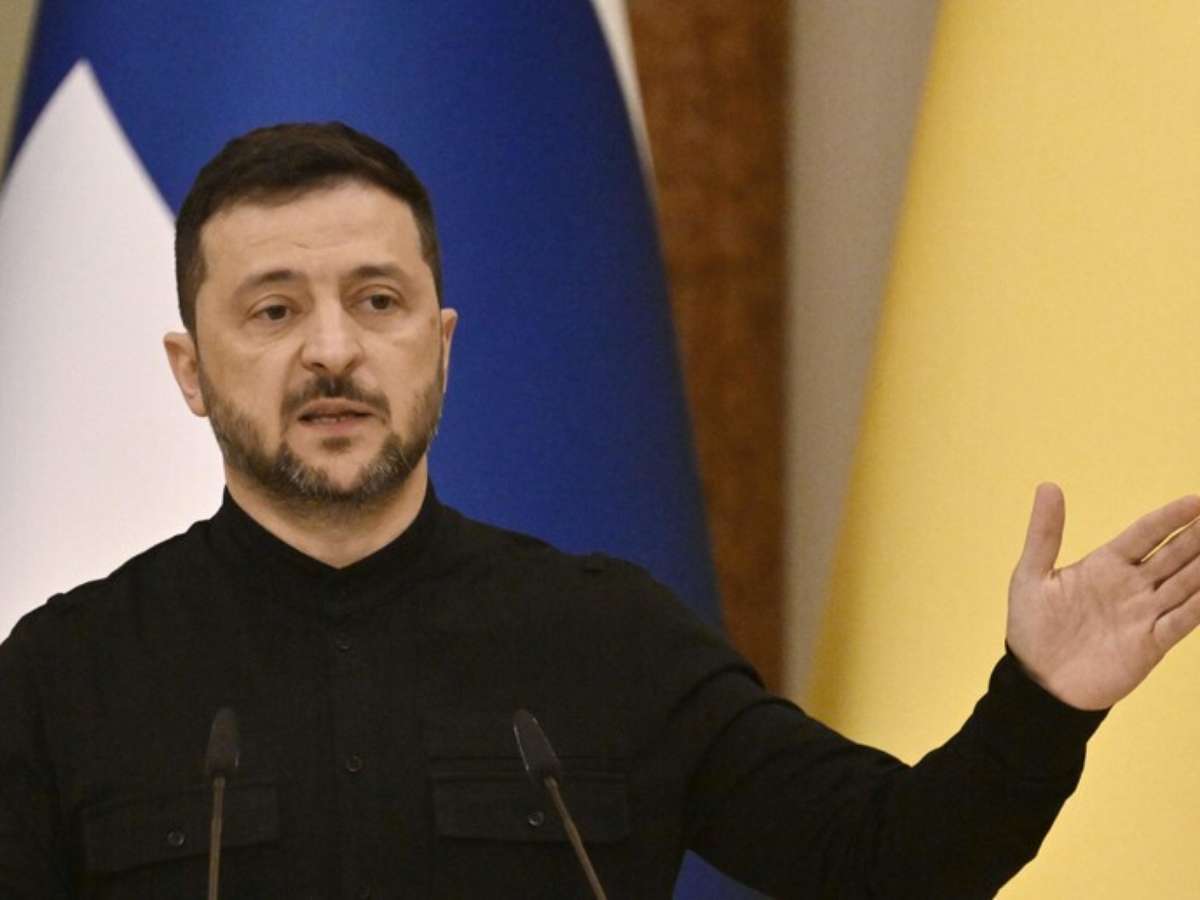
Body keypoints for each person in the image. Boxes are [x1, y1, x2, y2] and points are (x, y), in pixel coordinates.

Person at [2, 122, 1198, 900]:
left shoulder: (608, 638)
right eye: (273, 311)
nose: (333, 351)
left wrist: (1042, 704)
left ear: (440, 346)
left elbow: (889, 860)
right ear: (190, 367)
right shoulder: (62, 678)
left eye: (377, 301)